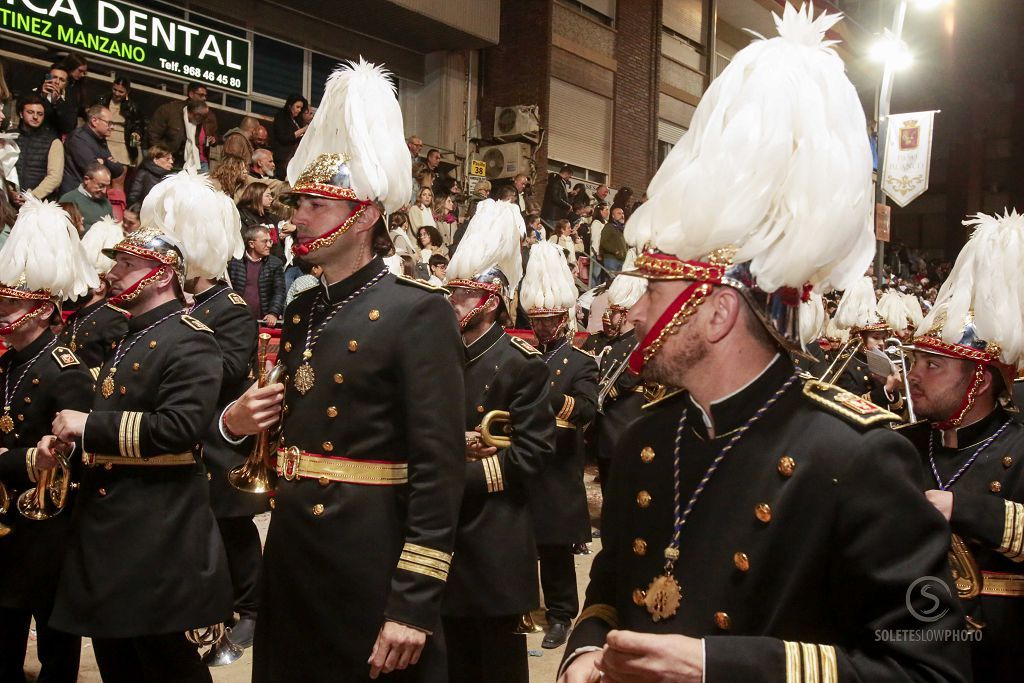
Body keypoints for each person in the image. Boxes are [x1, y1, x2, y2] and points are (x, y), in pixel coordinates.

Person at [559, 6, 971, 682]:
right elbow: (610, 586)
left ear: (717, 312)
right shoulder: (643, 439)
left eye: (653, 293)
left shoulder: (857, 458)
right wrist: (584, 650)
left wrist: (720, 665)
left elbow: (932, 669)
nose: (630, 312)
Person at [221, 58, 464, 681]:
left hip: (370, 554)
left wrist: (413, 601)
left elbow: (439, 471)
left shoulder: (419, 310)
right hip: (296, 546)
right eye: (299, 203)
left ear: (365, 216)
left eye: (316, 205)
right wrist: (234, 424)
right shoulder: (303, 306)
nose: (297, 216)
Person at [38, 224, 233, 683]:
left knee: (165, 662)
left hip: (157, 526)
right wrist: (72, 441)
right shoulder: (129, 334)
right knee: (119, 661)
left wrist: (91, 426)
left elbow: (180, 428)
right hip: (111, 520)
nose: (114, 273)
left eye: (127, 264)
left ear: (162, 275)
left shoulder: (190, 337)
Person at [898, 210, 1024, 682]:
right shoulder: (898, 446)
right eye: (916, 361)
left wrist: (965, 509)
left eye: (934, 365)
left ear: (980, 379)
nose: (914, 374)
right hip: (908, 652)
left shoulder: (1021, 445)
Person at [141, 170, 263, 654]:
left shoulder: (229, 307)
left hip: (219, 437)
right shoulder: (175, 310)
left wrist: (182, 344)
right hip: (182, 437)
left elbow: (230, 368)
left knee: (232, 528)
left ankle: (252, 608)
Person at [443, 198, 554, 683]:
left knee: (494, 665)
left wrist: (452, 473)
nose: (450, 304)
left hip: (494, 530)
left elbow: (533, 454)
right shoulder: (437, 356)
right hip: (440, 528)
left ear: (487, 301)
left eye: (460, 296)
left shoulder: (521, 364)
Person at [0, 196, 96, 683]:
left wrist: (10, 461)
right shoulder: (9, 362)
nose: (1, 311)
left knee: (55, 645)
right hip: (4, 517)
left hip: (45, 526)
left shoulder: (67, 371)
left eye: (11, 304)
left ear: (40, 310)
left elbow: (67, 459)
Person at [519, 241, 598, 650]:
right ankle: (522, 607)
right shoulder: (524, 356)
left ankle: (562, 614)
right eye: (538, 320)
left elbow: (585, 410)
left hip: (558, 466)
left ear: (564, 318)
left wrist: (542, 394)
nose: (544, 328)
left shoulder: (581, 362)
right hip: (522, 463)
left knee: (554, 548)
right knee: (519, 543)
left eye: (550, 320)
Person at [581, 264, 650, 494]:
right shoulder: (611, 343)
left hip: (625, 426)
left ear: (627, 313)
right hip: (605, 430)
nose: (610, 316)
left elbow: (629, 380)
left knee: (627, 491)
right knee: (609, 487)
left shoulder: (640, 344)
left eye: (615, 312)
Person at [829, 277, 905, 413]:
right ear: (859, 337)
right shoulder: (846, 363)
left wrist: (891, 388)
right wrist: (885, 390)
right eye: (875, 338)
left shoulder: (886, 361)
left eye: (883, 338)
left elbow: (899, 409)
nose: (881, 343)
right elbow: (848, 408)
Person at [64, 215, 130, 371]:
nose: (76, 285)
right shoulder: (78, 315)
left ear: (100, 286)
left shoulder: (115, 319)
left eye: (83, 280)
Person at [227, 225, 285, 328]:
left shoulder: (275, 263)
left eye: (270, 241)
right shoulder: (234, 261)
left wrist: (273, 313)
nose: (269, 245)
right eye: (264, 241)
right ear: (251, 244)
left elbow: (279, 292)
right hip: (236, 319)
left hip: (263, 320)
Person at [59, 104, 124, 196]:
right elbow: (93, 171)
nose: (112, 127)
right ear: (94, 121)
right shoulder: (78, 138)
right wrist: (106, 162)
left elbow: (118, 170)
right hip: (75, 195)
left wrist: (103, 162)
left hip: (91, 194)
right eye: (109, 123)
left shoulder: (100, 139)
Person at [12, 93, 63, 202]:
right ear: (21, 114)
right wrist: (10, 192)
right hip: (9, 199)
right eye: (30, 112)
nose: (35, 117)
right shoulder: (10, 136)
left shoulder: (53, 141)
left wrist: (31, 196)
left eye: (40, 114)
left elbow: (54, 177)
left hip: (39, 205)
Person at [94, 76, 145, 184]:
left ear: (127, 92)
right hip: (104, 141)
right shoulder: (102, 100)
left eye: (121, 91)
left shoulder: (132, 107)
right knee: (101, 177)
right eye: (115, 90)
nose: (117, 93)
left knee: (119, 179)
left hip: (123, 144)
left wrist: (134, 142)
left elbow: (137, 127)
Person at [149, 93, 210, 170]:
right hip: (162, 156)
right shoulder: (168, 111)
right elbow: (154, 134)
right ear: (194, 114)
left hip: (181, 160)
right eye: (201, 117)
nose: (202, 120)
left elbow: (195, 141)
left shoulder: (197, 122)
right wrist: (159, 154)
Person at [58, 163, 113, 232]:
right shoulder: (69, 199)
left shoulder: (106, 202)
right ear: (86, 180)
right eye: (101, 186)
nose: (104, 191)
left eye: (107, 186)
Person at [270, 95, 307, 180]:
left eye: (301, 108)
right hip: (283, 158)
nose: (299, 110)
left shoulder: (297, 120)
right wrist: (303, 130)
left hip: (294, 159)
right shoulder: (281, 116)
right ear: (290, 105)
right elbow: (284, 138)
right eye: (297, 107)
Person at [34, 63, 76, 137]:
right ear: (47, 78)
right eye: (54, 77)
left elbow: (68, 128)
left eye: (62, 80)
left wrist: (57, 103)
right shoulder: (34, 93)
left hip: (52, 143)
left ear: (65, 84)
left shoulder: (68, 103)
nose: (57, 82)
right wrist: (41, 96)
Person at [598, 205, 627, 273]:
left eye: (622, 213)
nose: (622, 215)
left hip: (622, 260)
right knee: (611, 281)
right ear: (613, 216)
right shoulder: (609, 227)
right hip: (611, 259)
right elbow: (604, 242)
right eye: (619, 213)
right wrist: (615, 251)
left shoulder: (622, 229)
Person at [61, 53, 89, 120]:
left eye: (84, 72)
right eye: (80, 71)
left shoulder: (78, 87)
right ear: (71, 66)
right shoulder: (53, 80)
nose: (82, 75)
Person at [588, 203, 609, 286]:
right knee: (595, 275)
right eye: (606, 210)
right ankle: (591, 293)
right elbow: (595, 239)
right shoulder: (596, 223)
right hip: (597, 254)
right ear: (600, 211)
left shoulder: (606, 223)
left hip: (604, 253)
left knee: (600, 277)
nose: (608, 212)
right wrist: (597, 253)